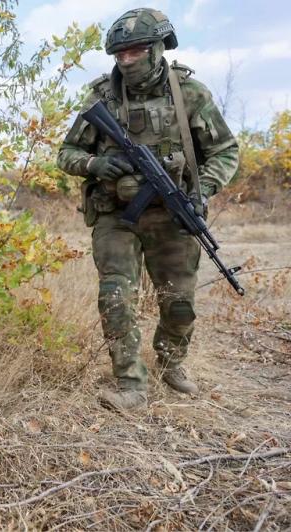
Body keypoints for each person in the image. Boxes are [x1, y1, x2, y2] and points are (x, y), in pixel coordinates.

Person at [57, 8, 239, 411]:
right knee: (116, 296)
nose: (126, 60)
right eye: (120, 54)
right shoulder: (101, 96)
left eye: (136, 51)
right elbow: (67, 152)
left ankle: (171, 362)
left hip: (172, 215)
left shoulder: (190, 95)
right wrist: (94, 164)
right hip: (115, 216)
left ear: (159, 48)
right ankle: (130, 384)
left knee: (180, 304)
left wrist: (202, 189)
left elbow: (225, 152)